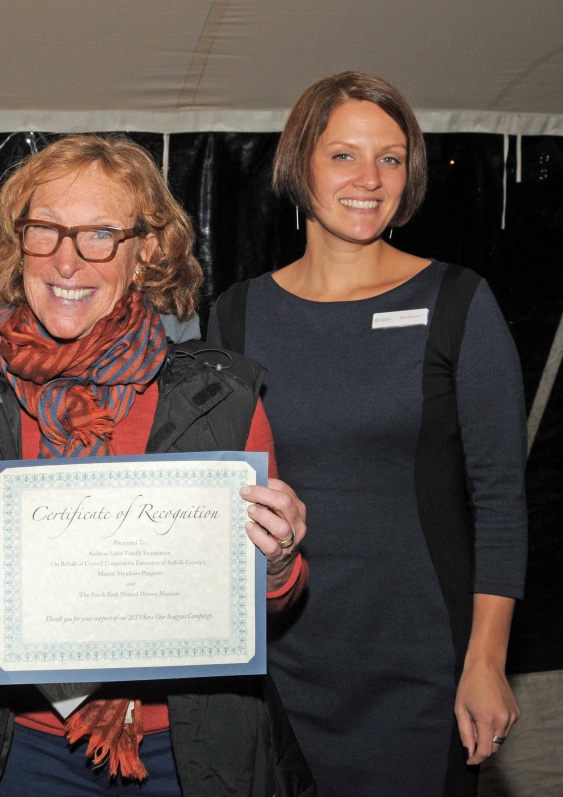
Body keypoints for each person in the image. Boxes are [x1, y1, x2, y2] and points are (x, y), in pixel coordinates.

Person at [0, 135, 316, 797]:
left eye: (99, 233)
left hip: (188, 753)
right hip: (18, 752)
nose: (67, 260)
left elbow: (270, 597)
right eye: (45, 230)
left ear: (145, 252)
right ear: (19, 241)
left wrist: (276, 558)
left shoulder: (222, 398)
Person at [207, 72, 528, 796]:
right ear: (300, 165)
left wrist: (487, 659)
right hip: (276, 665)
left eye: (391, 157)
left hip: (419, 666)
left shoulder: (458, 303)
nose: (370, 178)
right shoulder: (236, 316)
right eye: (344, 155)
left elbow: (502, 498)